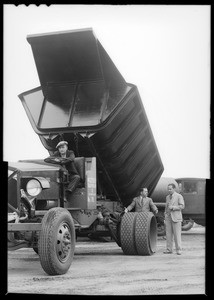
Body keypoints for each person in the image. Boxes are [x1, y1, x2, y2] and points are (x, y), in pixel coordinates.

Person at [163, 183, 185, 255]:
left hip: (176, 218)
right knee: (168, 235)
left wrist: (173, 207)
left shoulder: (179, 196)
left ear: (174, 189)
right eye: (168, 189)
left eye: (170, 189)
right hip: (168, 218)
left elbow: (182, 206)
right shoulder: (167, 197)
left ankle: (179, 250)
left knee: (177, 235)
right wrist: (165, 215)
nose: (169, 190)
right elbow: (166, 207)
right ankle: (169, 249)